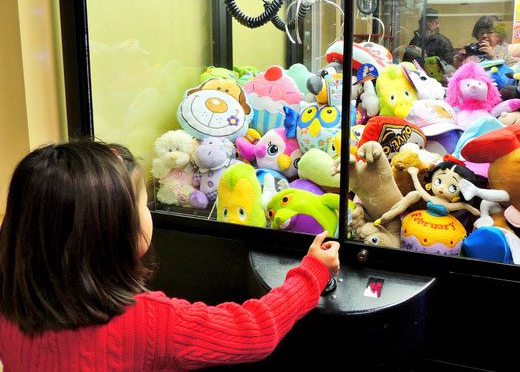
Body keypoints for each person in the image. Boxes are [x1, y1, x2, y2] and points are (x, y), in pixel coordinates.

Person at [0, 140, 340, 370]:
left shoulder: (10, 306)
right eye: (142, 204)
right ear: (117, 231)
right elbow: (254, 330)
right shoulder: (151, 321)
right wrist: (311, 273)